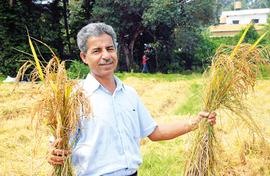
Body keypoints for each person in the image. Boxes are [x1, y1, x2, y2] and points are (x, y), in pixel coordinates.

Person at [48, 22, 216, 176]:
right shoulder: (74, 97)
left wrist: (194, 123)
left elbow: (155, 133)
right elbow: (58, 145)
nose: (106, 56)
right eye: (97, 51)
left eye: (110, 48)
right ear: (84, 57)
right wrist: (54, 154)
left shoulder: (129, 94)